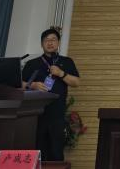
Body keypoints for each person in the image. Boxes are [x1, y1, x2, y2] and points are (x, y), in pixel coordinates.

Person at [21, 28, 80, 161]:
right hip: (35, 114)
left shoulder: (67, 61)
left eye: (53, 39)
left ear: (58, 43)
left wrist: (61, 73)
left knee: (56, 152)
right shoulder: (32, 63)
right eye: (46, 40)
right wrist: (32, 85)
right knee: (37, 152)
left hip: (57, 113)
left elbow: (76, 82)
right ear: (42, 44)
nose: (50, 42)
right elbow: (19, 85)